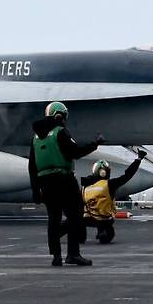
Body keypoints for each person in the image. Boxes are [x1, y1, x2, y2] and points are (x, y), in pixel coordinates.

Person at [29, 101, 102, 266]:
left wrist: (35, 190)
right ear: (59, 116)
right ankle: (73, 254)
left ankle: (56, 256)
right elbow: (75, 152)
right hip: (64, 180)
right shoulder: (60, 133)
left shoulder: (35, 138)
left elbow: (32, 166)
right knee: (76, 215)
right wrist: (95, 144)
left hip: (45, 183)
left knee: (53, 219)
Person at [80, 150, 147, 244]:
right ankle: (102, 232)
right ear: (104, 172)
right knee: (106, 233)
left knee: (73, 221)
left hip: (87, 218)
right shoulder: (110, 184)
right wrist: (138, 159)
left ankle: (67, 235)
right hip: (105, 219)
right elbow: (127, 175)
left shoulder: (85, 185)